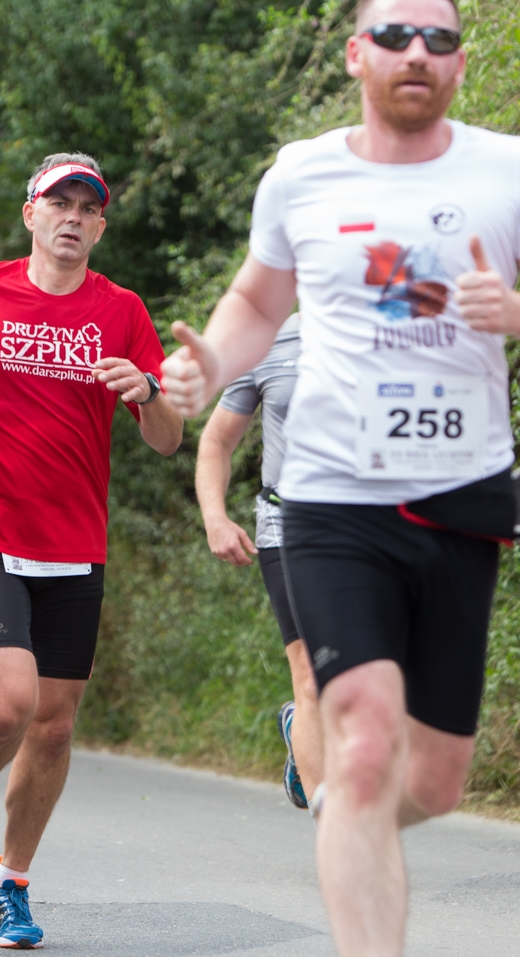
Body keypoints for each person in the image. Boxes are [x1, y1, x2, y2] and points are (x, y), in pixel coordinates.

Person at [158, 0, 520, 957]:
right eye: (397, 36)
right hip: (331, 500)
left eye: (439, 40)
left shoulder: (504, 169)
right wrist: (205, 368)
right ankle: (351, 812)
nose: (418, 53)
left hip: (461, 497)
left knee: (433, 779)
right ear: (355, 54)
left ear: (459, 64)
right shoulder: (302, 173)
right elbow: (256, 303)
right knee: (363, 746)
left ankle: (345, 809)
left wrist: (518, 311)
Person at [0, 152, 182, 948]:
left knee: (52, 727)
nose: (73, 217)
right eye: (60, 202)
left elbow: (166, 439)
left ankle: (12, 883)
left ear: (100, 226)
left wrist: (151, 391)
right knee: (5, 706)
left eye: (88, 208)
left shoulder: (122, 310)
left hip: (76, 544)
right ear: (31, 214)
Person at [195, 314, 321, 806]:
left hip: (373, 529)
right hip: (288, 525)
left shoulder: (396, 333)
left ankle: (299, 729)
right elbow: (217, 441)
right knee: (311, 674)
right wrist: (215, 517)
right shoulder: (268, 342)